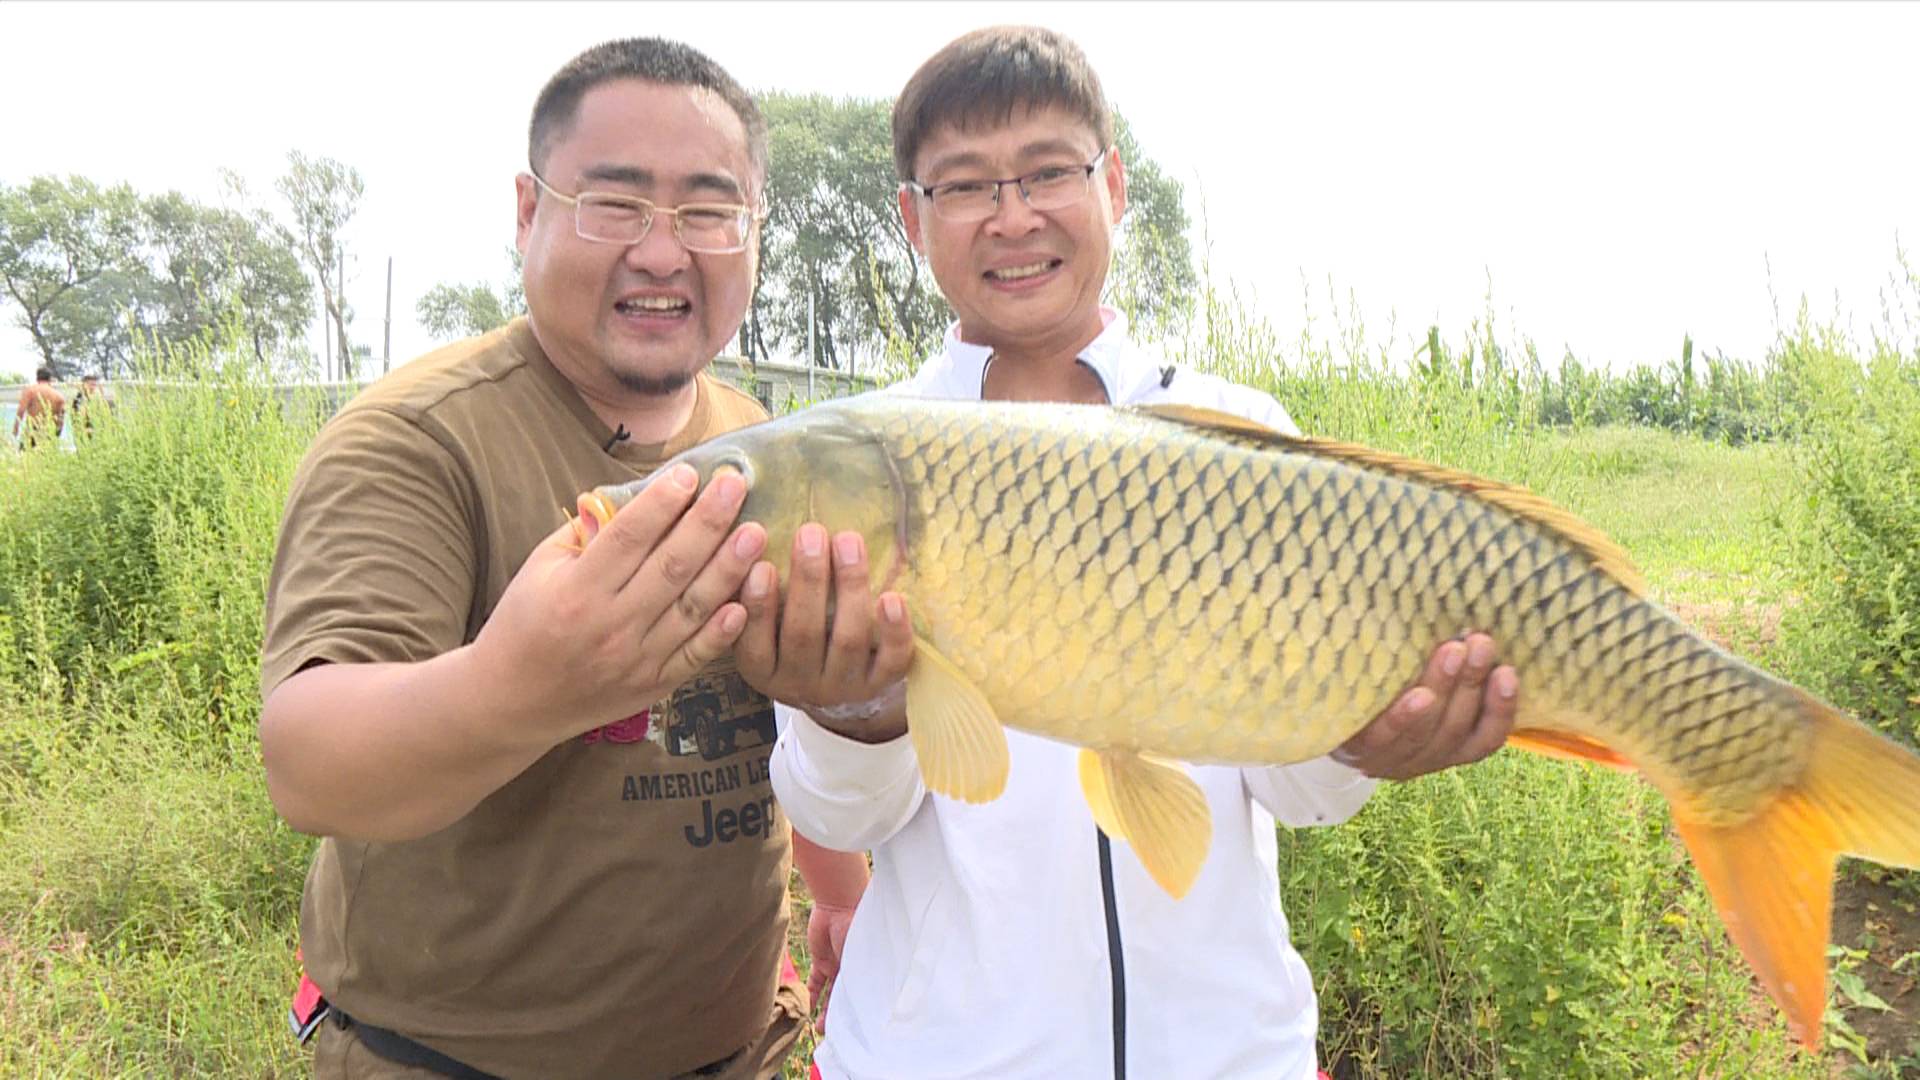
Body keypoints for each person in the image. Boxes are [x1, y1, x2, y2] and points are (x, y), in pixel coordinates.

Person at [748, 26, 1521, 1080]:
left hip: (1231, 1054)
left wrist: (1364, 739)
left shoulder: (1241, 433)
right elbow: (843, 812)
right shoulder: (856, 461)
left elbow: (1306, 798)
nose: (1013, 217)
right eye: (965, 186)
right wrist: (849, 709)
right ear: (911, 219)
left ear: (1113, 186)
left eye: (1048, 172)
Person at [257, 37, 871, 1080]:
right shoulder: (417, 439)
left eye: (708, 212)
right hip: (451, 1060)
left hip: (736, 1049)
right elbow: (309, 763)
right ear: (527, 210)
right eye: (615, 204)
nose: (663, 252)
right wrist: (522, 685)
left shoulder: (765, 442)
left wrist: (843, 895)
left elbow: (788, 708)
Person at [14, 367, 66, 449]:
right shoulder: (59, 396)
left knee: (25, 455)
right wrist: (57, 436)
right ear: (50, 379)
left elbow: (21, 411)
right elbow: (61, 419)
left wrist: (16, 428)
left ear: (37, 377)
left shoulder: (30, 391)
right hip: (49, 431)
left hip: (32, 430)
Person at [71, 373, 109, 440]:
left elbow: (103, 414)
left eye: (94, 385)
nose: (93, 388)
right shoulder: (79, 399)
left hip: (95, 433)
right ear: (84, 385)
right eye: (91, 385)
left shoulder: (94, 398)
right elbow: (78, 419)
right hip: (84, 434)